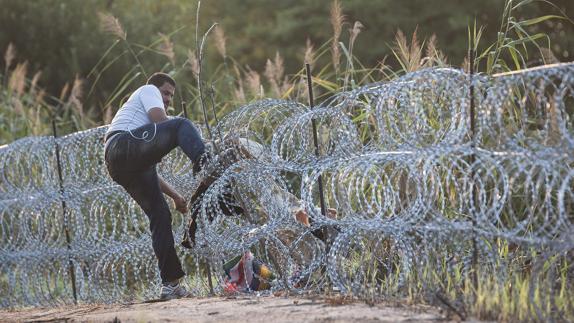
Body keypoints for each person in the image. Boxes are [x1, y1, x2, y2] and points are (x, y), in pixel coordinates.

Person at [104, 72, 205, 300]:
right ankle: (207, 164)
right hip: (122, 144)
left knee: (160, 215)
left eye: (171, 95)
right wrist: (184, 135)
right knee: (181, 124)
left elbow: (149, 171)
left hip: (121, 163)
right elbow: (162, 121)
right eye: (166, 93)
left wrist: (176, 197)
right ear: (155, 89)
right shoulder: (147, 90)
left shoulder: (143, 130)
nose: (168, 98)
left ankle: (170, 285)